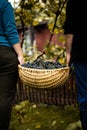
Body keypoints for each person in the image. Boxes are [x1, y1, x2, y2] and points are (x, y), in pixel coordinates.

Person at [0, 0, 24, 130]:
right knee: (4, 98)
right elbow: (10, 30)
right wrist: (20, 54)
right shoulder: (4, 4)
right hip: (4, 53)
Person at [63, 0, 87, 130]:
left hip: (82, 52)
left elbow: (70, 30)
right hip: (82, 53)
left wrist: (68, 54)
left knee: (85, 96)